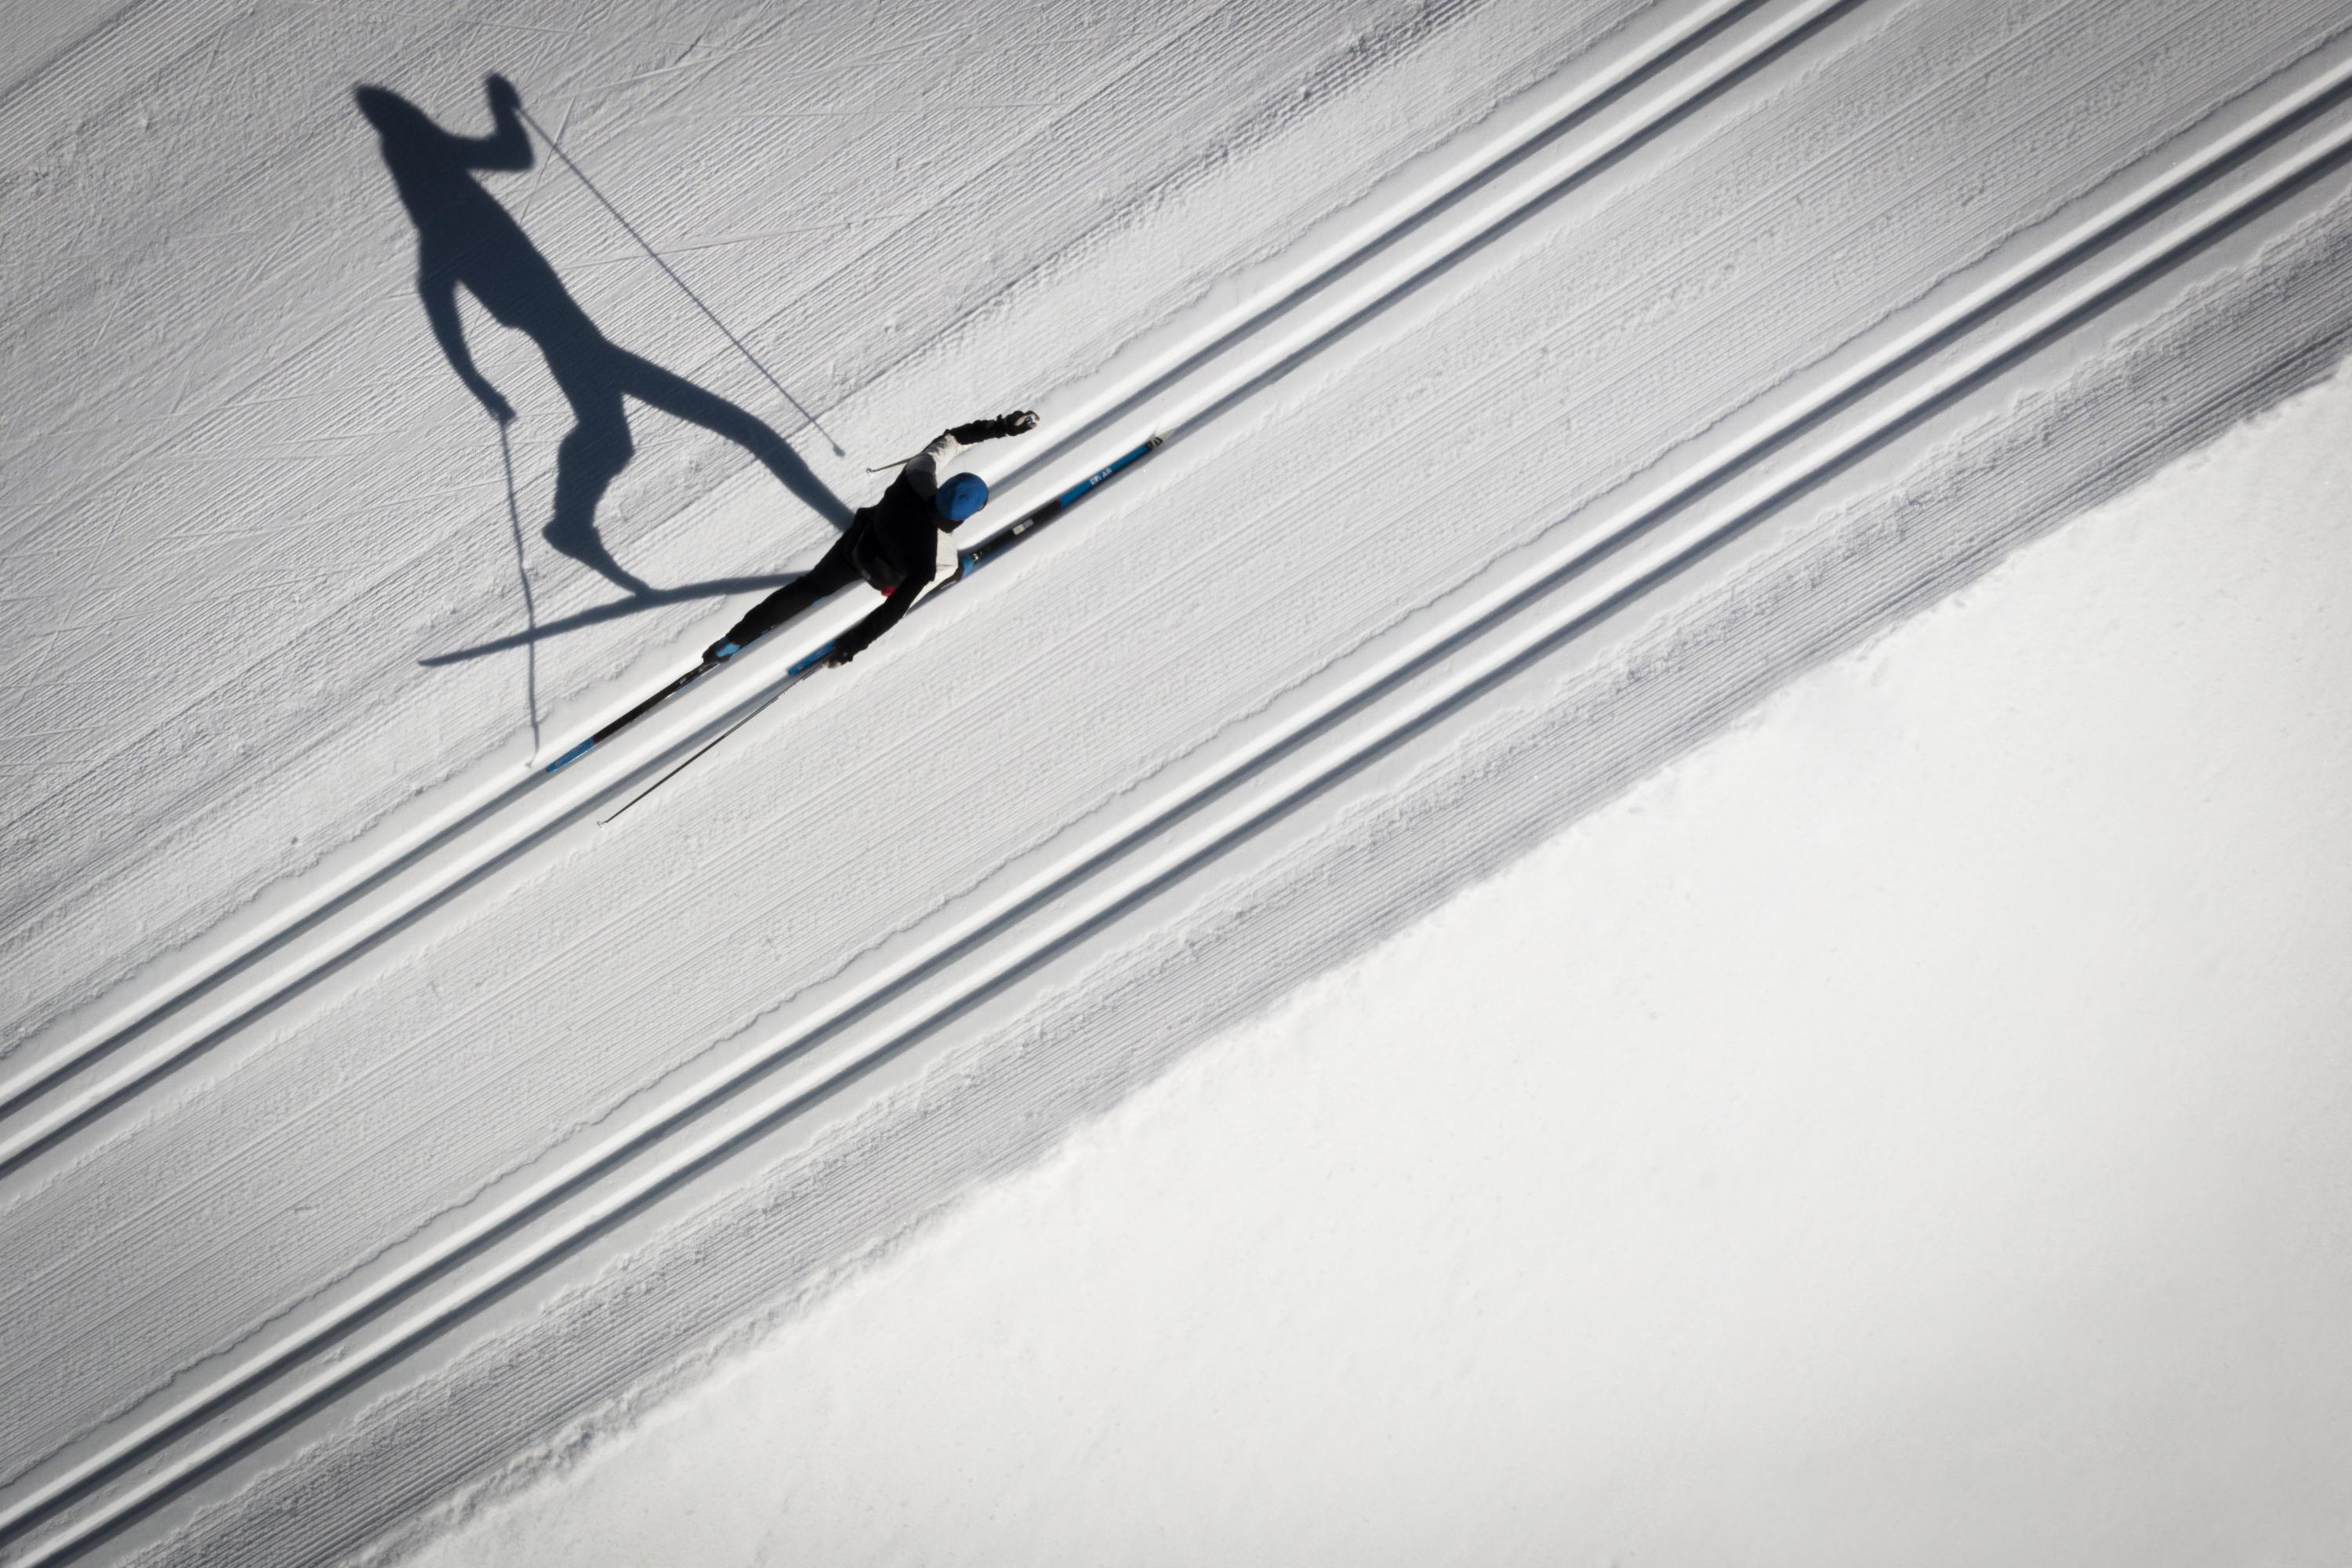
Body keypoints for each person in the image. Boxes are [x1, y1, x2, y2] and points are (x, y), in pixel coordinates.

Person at [706, 410, 1039, 666]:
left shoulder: (916, 476)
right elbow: (892, 612)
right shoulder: (936, 556)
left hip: (857, 547)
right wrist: (851, 646)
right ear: (966, 516)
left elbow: (952, 439)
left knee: (807, 589)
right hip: (891, 575)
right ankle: (950, 574)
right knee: (947, 572)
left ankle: (732, 641)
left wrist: (1002, 427)